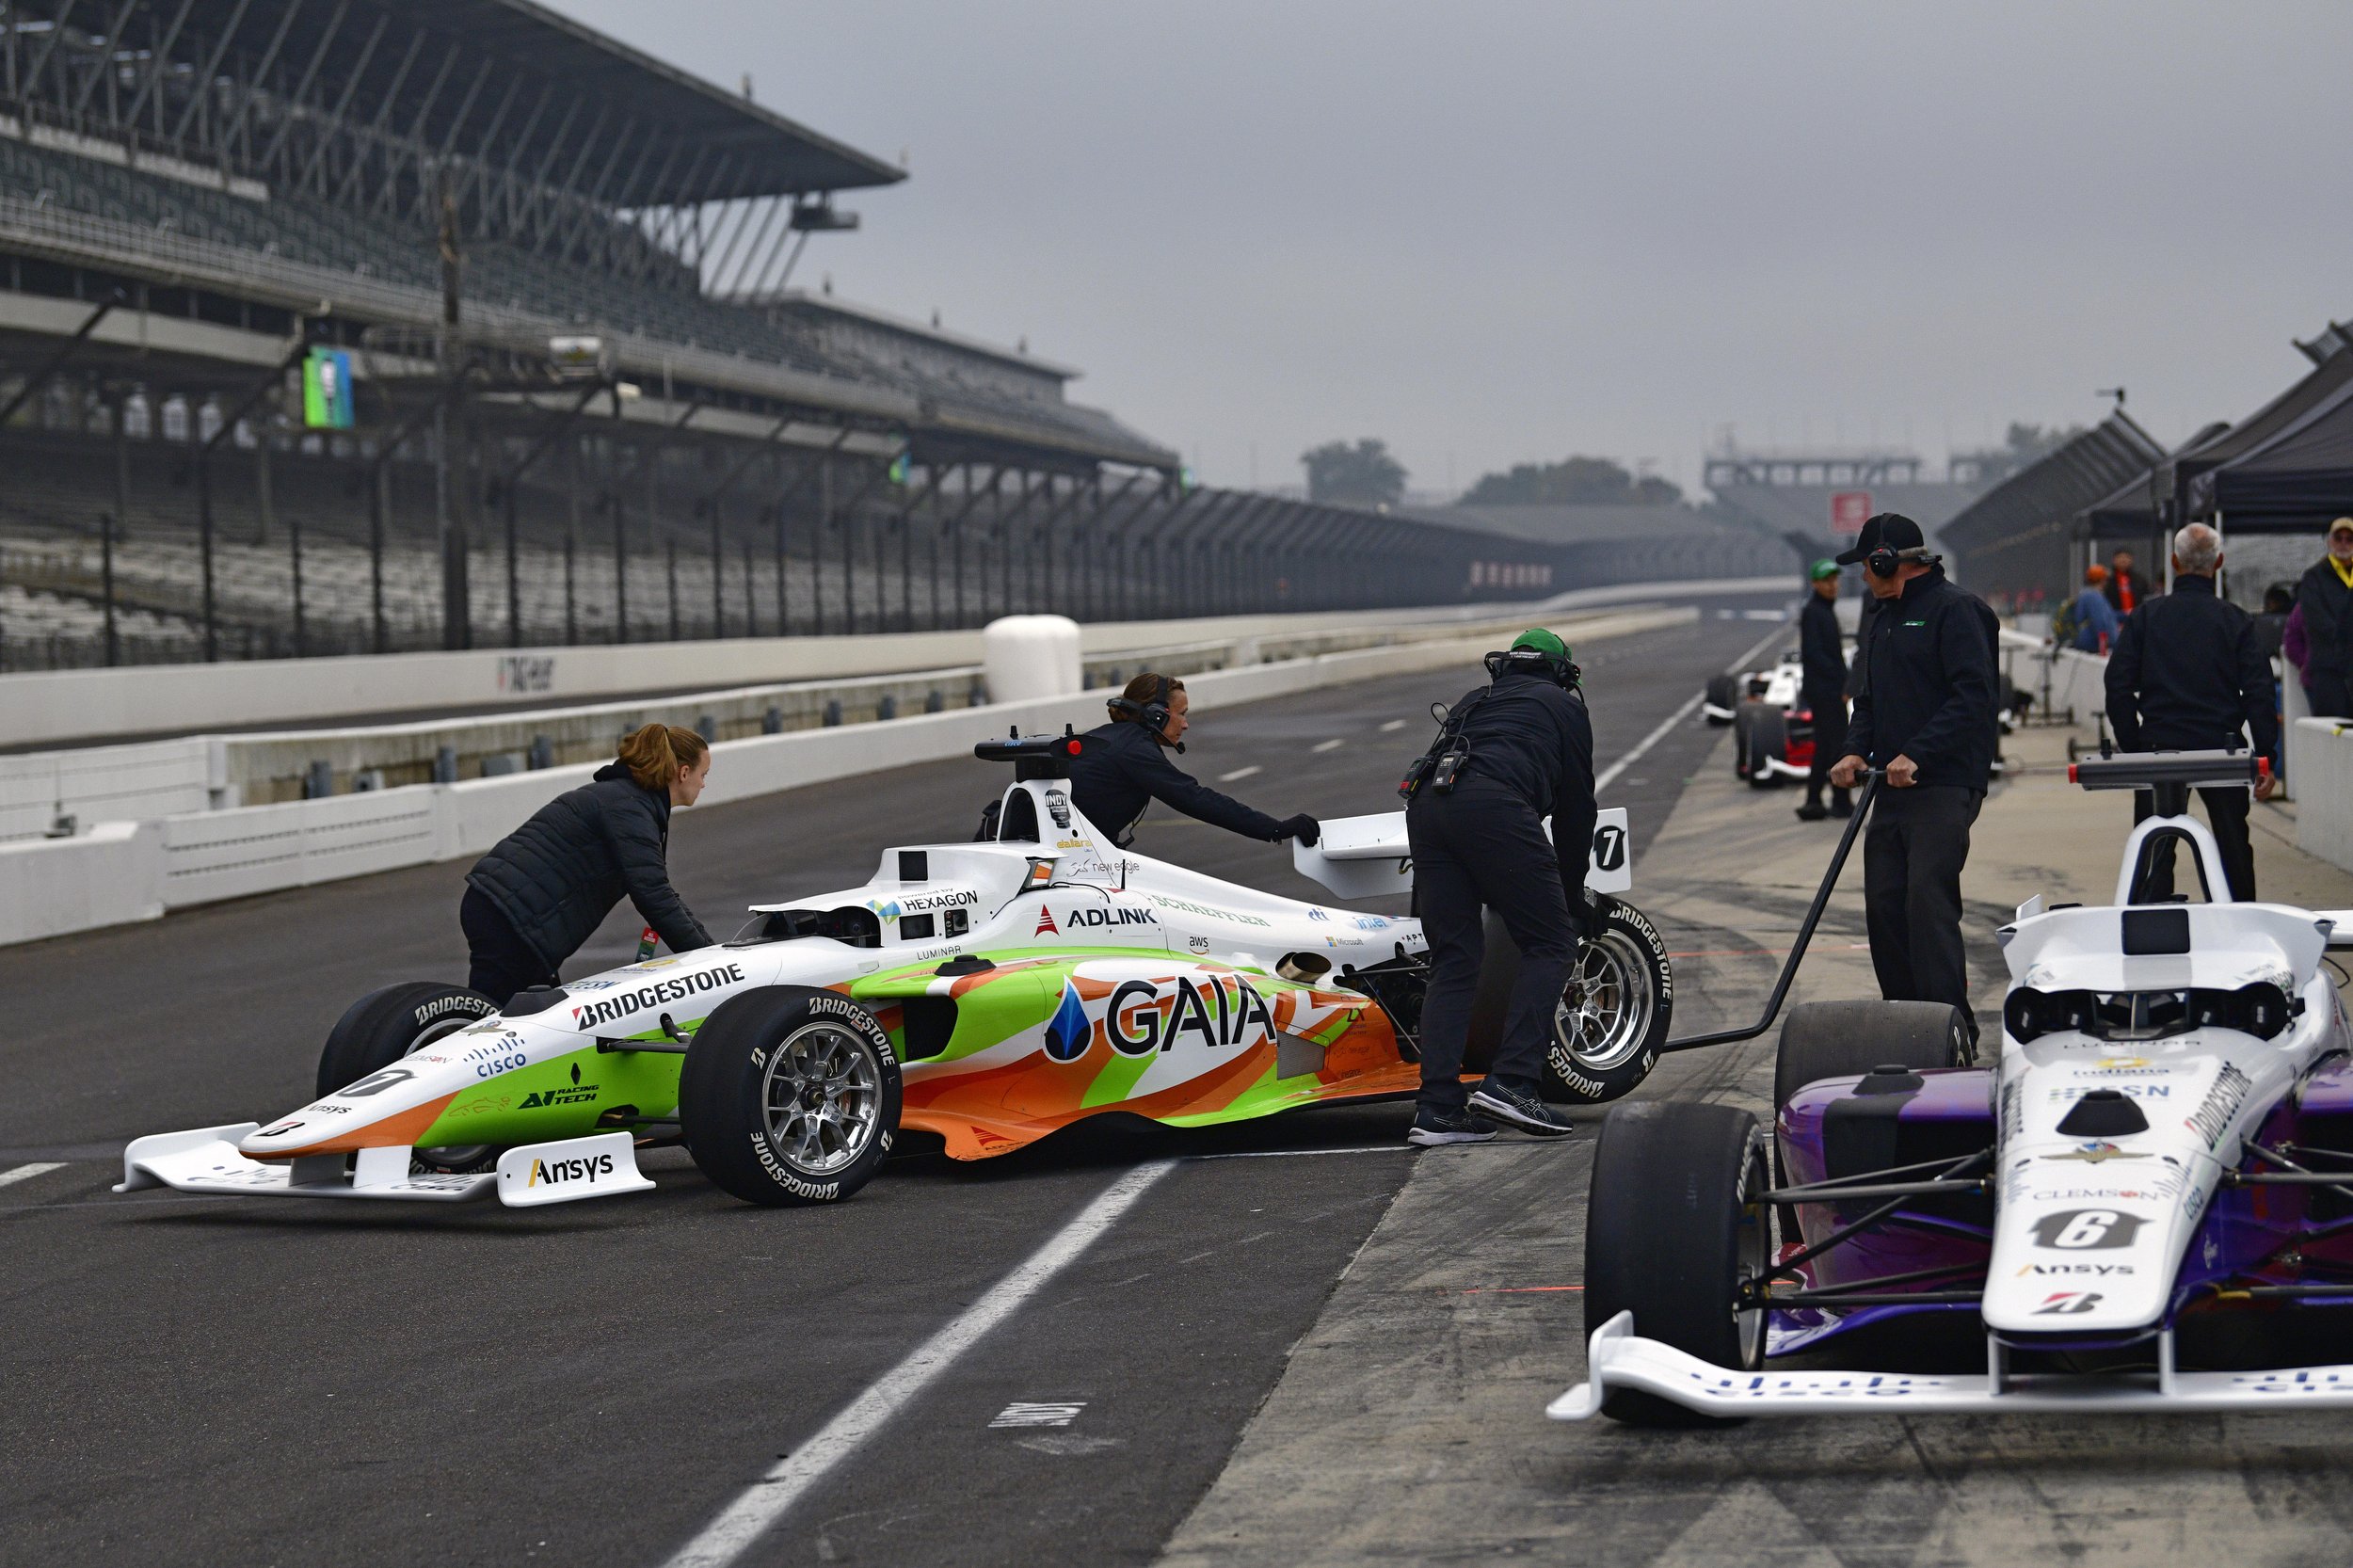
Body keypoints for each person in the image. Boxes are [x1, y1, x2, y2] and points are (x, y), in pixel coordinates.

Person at [1401, 630, 1593, 1146]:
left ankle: (1437, 1108)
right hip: (1493, 804)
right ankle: (1513, 1080)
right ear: (1561, 672)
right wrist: (1571, 897)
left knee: (1454, 958)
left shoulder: (1472, 700)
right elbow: (1577, 812)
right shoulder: (1563, 706)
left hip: (1427, 806)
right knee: (1551, 943)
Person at [1828, 515, 1999, 1037]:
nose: (1862, 576)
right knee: (1883, 905)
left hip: (1944, 783)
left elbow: (1973, 697)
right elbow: (1870, 699)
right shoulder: (1882, 617)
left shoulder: (1958, 612)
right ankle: (1904, 1022)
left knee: (1926, 898)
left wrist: (1918, 754)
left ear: (1888, 561)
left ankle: (1951, 1025)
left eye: (1867, 565)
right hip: (1890, 785)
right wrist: (1856, 751)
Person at [460, 722, 715, 1006]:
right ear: (683, 773)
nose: (703, 783)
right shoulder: (629, 808)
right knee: (495, 1025)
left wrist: (713, 952)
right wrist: (712, 963)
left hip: (504, 910)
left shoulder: (627, 799)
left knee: (526, 1015)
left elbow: (660, 891)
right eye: (703, 775)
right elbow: (654, 895)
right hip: (510, 916)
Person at [2103, 523, 2278, 903]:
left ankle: (2151, 921)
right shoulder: (2235, 620)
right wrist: (2266, 756)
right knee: (2233, 848)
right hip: (2223, 750)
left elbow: (2117, 684)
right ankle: (2238, 924)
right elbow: (2260, 692)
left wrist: (2134, 746)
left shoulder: (2146, 618)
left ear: (2174, 561)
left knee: (2153, 849)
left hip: (2158, 748)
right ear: (2218, 562)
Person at [1066, 673, 1318, 850]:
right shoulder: (1133, 749)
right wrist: (1275, 829)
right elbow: (1194, 799)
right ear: (1156, 716)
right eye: (1182, 714)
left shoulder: (1111, 738)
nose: (1185, 724)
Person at [1796, 559, 1852, 822]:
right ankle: (1836, 801)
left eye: (1835, 580)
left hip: (1827, 688)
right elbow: (1815, 654)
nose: (1833, 585)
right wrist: (1843, 680)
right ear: (1815, 584)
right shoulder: (1814, 612)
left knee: (1826, 745)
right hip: (1825, 690)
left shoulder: (1824, 610)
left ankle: (1815, 800)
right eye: (1827, 581)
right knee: (1836, 745)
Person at [2294, 517, 2353, 719]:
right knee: (2332, 729)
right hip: (2328, 670)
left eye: (2349, 539)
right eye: (2339, 538)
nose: (2344, 543)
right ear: (2330, 541)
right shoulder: (2314, 577)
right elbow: (2316, 620)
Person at [2069, 564, 2121, 653]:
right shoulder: (2093, 596)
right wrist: (2107, 642)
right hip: (2093, 645)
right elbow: (2099, 621)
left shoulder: (2088, 594)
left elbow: (2109, 615)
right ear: (2103, 580)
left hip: (2088, 643)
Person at [2253, 584, 2295, 661]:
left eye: (2274, 601)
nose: (2270, 604)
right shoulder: (2260, 622)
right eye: (2269, 602)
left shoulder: (2294, 620)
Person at [2105, 547, 2148, 614]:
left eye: (2127, 557)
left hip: (2135, 615)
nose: (2123, 560)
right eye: (2120, 557)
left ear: (2131, 560)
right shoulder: (2107, 580)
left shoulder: (2139, 580)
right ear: (2114, 560)